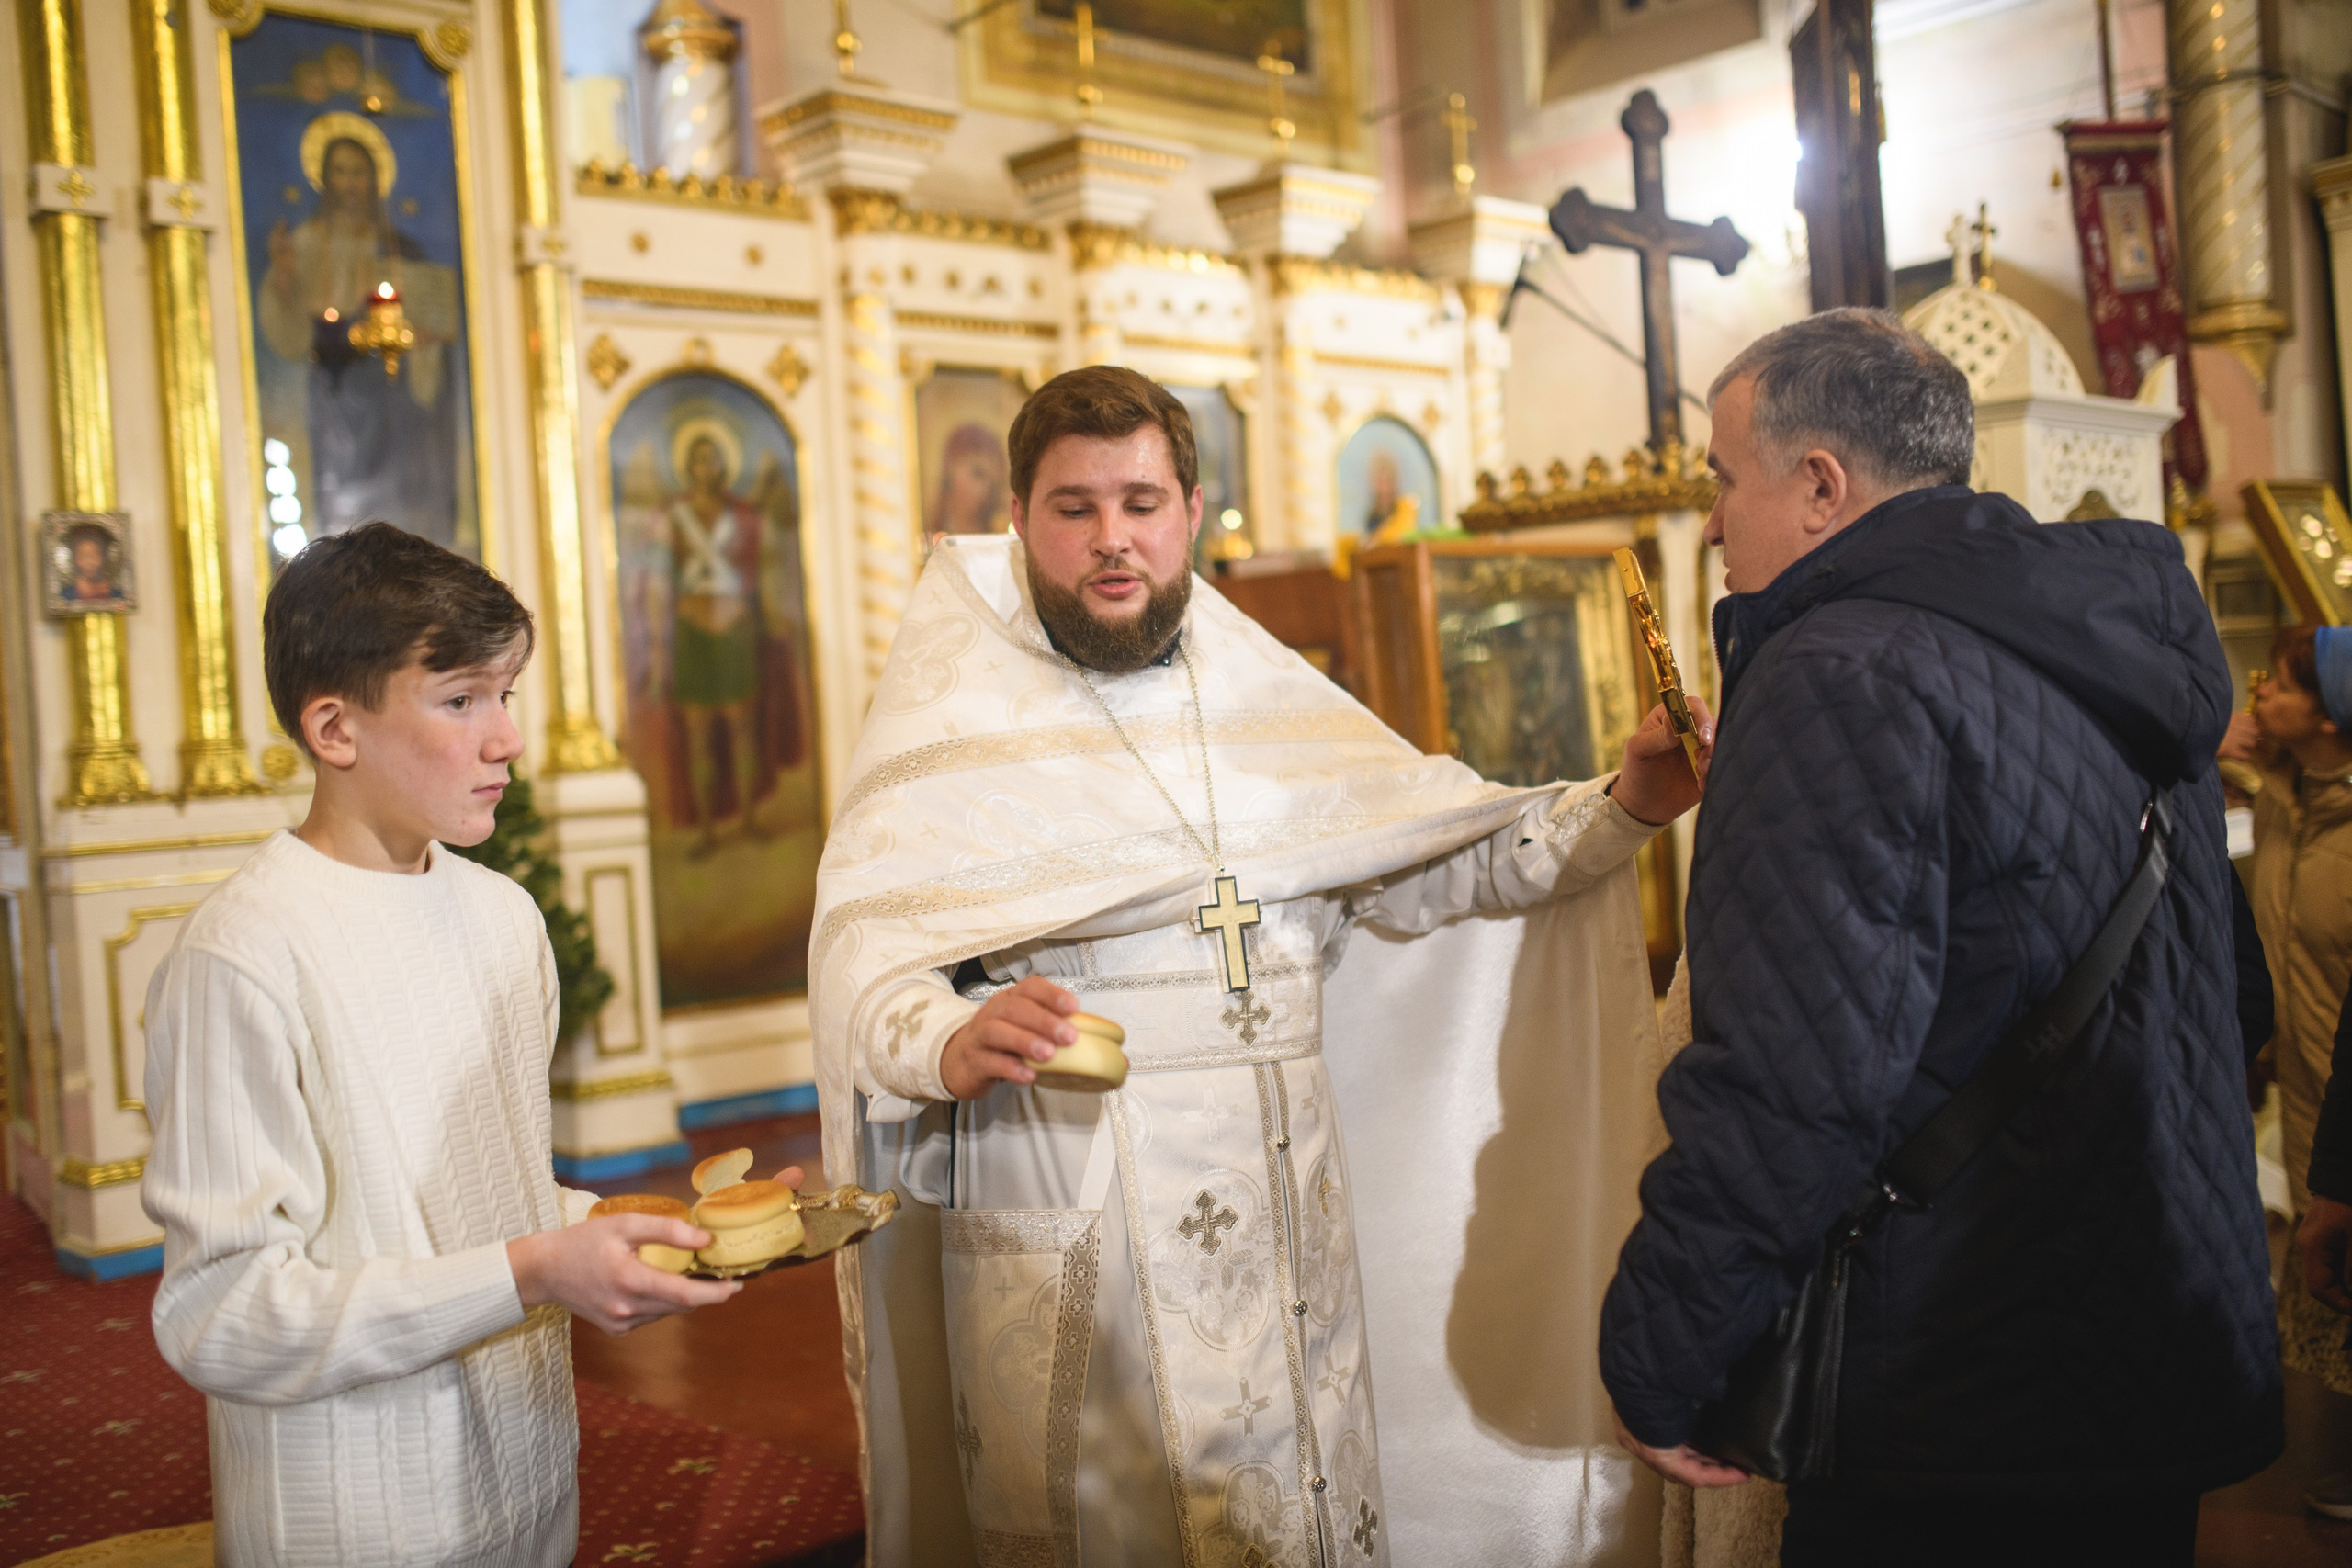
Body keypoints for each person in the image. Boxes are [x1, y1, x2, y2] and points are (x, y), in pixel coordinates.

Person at [813, 365, 1706, 1565]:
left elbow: (1436, 864)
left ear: (1192, 509)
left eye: (1141, 500)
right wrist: (943, 1034)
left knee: (1301, 1505)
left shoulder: (1269, 703)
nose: (1111, 538)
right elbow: (871, 951)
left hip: (1290, 1216)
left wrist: (1627, 804)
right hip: (1079, 1208)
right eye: (1073, 508)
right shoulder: (955, 723)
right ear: (1016, 521)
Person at [1598, 309, 2280, 1568]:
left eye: (1720, 479)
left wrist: (1666, 1348)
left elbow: (1792, 1074)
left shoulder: (1834, 670)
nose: (1707, 522)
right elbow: (2233, 997)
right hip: (2157, 1342)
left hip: (1959, 1383)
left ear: (1818, 485)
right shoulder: (2120, 646)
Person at [140, 523, 747, 1566]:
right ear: (335, 727)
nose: (506, 738)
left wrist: (612, 1234)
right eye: (461, 700)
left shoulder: (505, 915)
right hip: (352, 1511)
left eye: (506, 694)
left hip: (526, 1477)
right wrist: (531, 1271)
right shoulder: (242, 955)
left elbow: (485, 1197)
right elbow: (221, 1313)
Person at [2234, 627, 2352, 1461]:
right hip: (2307, 1095)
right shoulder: (2286, 793)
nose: (2259, 691)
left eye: (2279, 683)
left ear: (2330, 718)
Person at [258, 127, 462, 545]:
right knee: (336, 487)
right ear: (325, 180)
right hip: (334, 390)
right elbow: (290, 333)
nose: (350, 183)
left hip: (391, 390)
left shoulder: (398, 248)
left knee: (401, 486)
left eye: (358, 173)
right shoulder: (303, 245)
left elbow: (432, 319)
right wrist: (282, 278)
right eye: (340, 172)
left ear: (373, 181)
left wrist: (425, 344)